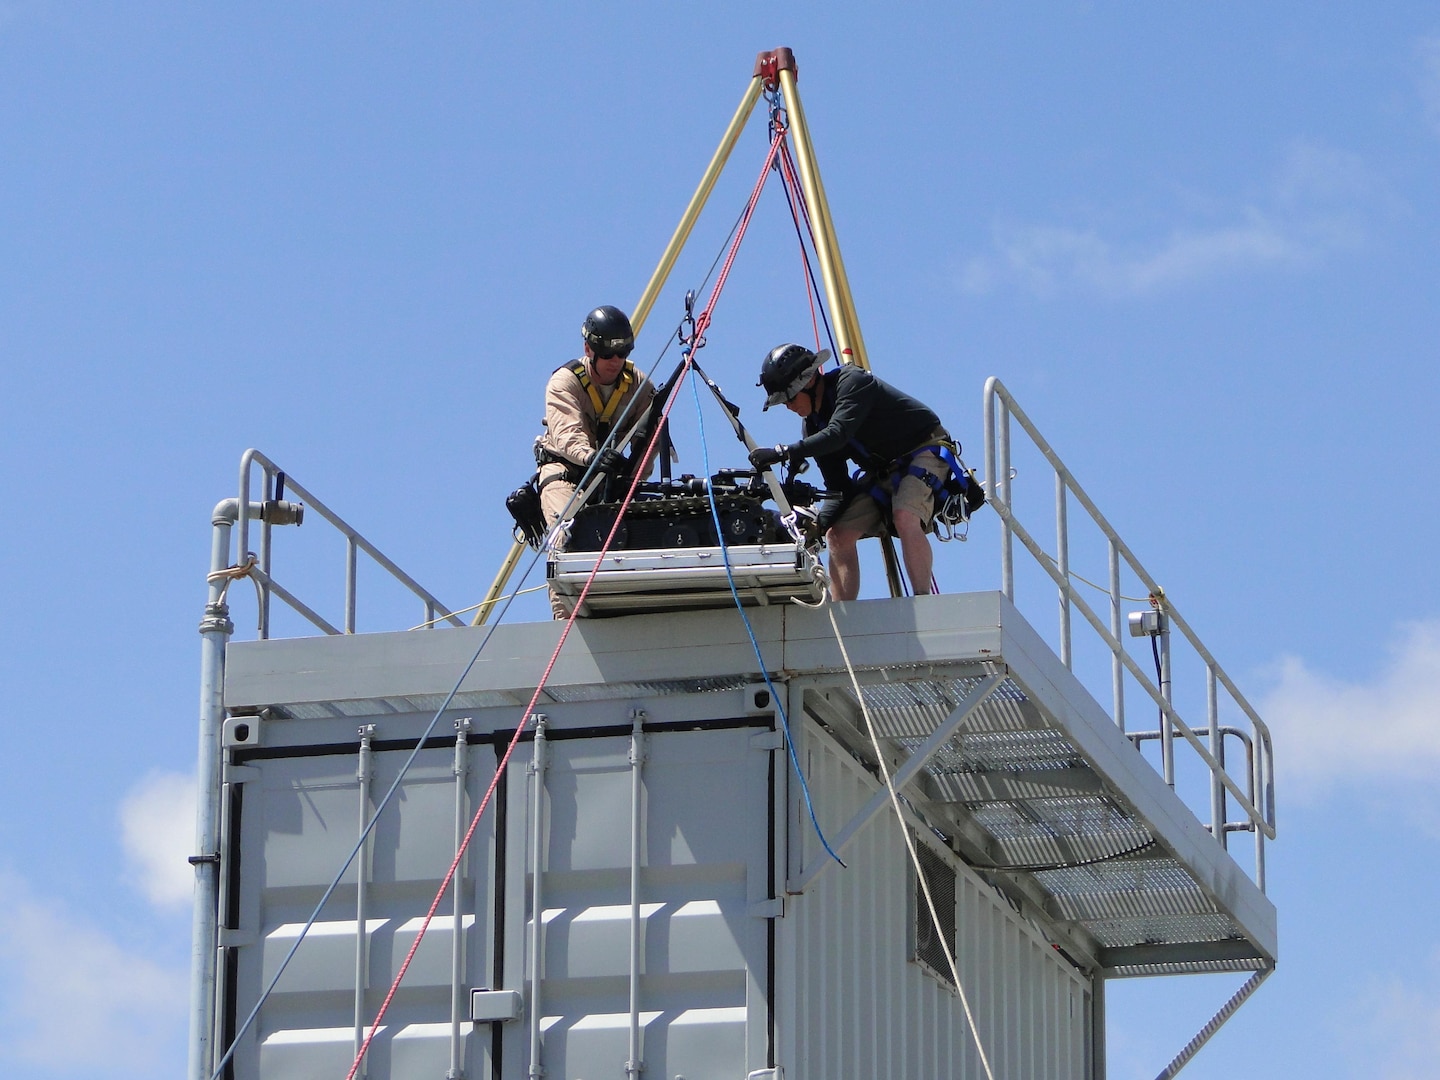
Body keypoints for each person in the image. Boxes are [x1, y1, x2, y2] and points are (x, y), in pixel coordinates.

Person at [748, 343, 953, 602]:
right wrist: (818, 527)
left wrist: (783, 452)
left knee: (904, 515)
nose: (788, 406)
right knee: (838, 535)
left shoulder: (852, 382)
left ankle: (923, 601)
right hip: (885, 471)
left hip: (925, 450)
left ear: (809, 380)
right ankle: (843, 613)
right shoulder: (814, 426)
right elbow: (839, 487)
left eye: (790, 396)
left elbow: (838, 434)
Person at [535, 305, 656, 616]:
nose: (616, 361)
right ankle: (565, 619)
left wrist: (635, 474)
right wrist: (593, 457)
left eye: (623, 352)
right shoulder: (565, 382)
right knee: (567, 538)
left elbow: (652, 434)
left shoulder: (637, 384)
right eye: (608, 354)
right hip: (566, 472)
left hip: (611, 477)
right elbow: (566, 435)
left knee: (635, 537)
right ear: (589, 349)